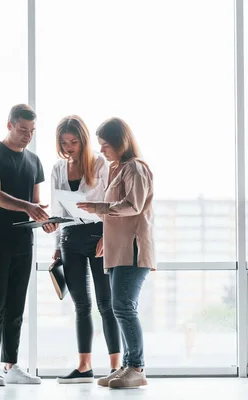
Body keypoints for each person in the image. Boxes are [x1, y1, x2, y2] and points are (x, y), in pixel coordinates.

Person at [0, 104, 51, 386]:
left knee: (17, 305)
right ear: (9, 125)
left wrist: (45, 219)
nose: (27, 136)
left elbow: (35, 205)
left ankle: (11, 365)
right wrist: (30, 208)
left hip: (23, 241)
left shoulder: (34, 160)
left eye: (31, 131)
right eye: (22, 130)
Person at [77, 117, 155, 389]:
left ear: (121, 142)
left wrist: (98, 208)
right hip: (118, 249)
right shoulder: (119, 169)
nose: (102, 151)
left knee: (123, 307)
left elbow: (132, 205)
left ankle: (136, 367)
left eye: (106, 145)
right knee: (119, 307)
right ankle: (128, 365)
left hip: (132, 250)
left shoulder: (135, 168)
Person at [50, 116, 121, 384]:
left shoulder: (100, 163)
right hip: (69, 238)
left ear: (83, 140)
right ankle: (84, 367)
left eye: (74, 141)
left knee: (106, 304)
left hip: (96, 236)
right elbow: (57, 210)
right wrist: (56, 246)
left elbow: (109, 201)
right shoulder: (58, 167)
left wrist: (107, 235)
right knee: (81, 305)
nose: (69, 147)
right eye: (64, 142)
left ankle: (115, 367)